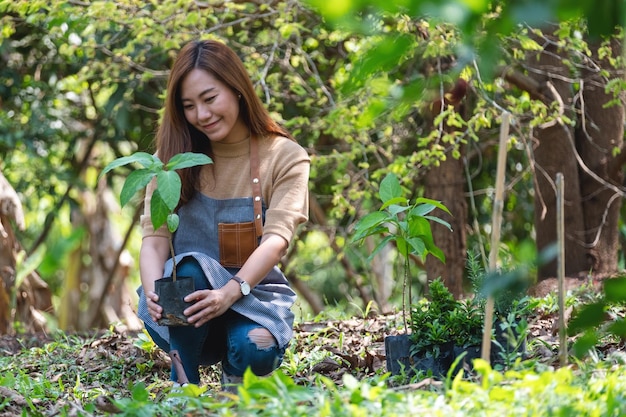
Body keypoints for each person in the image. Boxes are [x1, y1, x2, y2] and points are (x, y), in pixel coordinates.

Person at [136, 39, 310, 390]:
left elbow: (277, 240)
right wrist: (155, 295)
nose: (201, 115)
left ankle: (235, 380)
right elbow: (154, 242)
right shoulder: (172, 160)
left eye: (210, 98)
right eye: (189, 105)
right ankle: (184, 386)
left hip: (252, 300)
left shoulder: (284, 156)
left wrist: (229, 292)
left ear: (238, 89)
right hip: (187, 312)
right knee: (188, 269)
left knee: (256, 349)